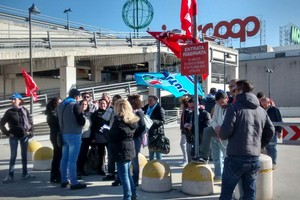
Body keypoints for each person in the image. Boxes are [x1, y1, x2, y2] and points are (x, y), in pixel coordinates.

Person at [219, 80, 275, 200]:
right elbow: (271, 131)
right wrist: (259, 145)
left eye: (234, 90)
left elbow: (224, 133)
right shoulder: (261, 110)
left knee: (226, 193)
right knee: (250, 193)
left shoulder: (234, 107)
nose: (232, 93)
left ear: (239, 91)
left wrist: (220, 131)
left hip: (235, 156)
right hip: (254, 157)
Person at [107, 99, 139, 200]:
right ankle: (133, 195)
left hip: (121, 150)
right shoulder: (132, 120)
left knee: (124, 176)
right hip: (130, 148)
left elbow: (112, 136)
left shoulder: (118, 121)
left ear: (118, 108)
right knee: (128, 175)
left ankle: (127, 197)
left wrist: (105, 132)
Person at [195, 91, 229, 182]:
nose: (220, 104)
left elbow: (230, 123)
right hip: (216, 131)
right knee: (216, 156)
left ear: (227, 99)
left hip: (226, 135)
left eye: (222, 102)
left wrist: (220, 131)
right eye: (218, 103)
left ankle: (227, 177)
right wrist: (216, 127)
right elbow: (213, 120)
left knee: (227, 157)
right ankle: (204, 157)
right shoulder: (217, 106)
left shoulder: (231, 108)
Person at [0, 93, 35, 183]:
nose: (12, 101)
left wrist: (31, 131)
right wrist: (7, 133)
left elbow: (30, 122)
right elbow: (1, 124)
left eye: (14, 99)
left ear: (20, 100)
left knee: (24, 155)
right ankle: (10, 175)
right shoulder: (9, 112)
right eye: (11, 100)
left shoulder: (25, 110)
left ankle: (25, 173)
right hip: (14, 136)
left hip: (24, 136)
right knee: (13, 156)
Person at [57, 88, 86, 190]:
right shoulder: (75, 105)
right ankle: (74, 182)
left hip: (64, 134)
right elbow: (81, 121)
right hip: (74, 134)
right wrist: (84, 118)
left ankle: (64, 180)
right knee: (72, 160)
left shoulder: (61, 105)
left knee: (64, 159)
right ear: (77, 96)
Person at [127, 94, 146, 187]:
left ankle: (135, 179)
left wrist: (135, 134)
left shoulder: (138, 112)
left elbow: (143, 127)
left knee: (134, 160)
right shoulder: (130, 112)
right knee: (130, 159)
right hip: (130, 138)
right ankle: (131, 179)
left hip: (136, 138)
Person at [260, 97, 283, 169]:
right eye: (262, 104)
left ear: (269, 102)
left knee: (272, 147)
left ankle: (273, 162)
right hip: (264, 132)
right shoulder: (261, 110)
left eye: (265, 104)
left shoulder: (275, 110)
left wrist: (279, 131)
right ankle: (268, 162)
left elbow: (279, 120)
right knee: (266, 147)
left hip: (273, 131)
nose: (264, 106)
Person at [142, 95, 165, 161]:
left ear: (155, 101)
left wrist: (152, 121)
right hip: (148, 132)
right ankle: (151, 165)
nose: (149, 102)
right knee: (150, 149)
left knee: (157, 151)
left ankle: (159, 165)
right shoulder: (146, 107)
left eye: (151, 100)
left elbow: (162, 121)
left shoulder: (159, 109)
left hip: (157, 132)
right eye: (148, 100)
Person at [90, 98, 110, 176]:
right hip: (99, 135)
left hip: (108, 135)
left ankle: (110, 168)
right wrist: (93, 138)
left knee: (110, 153)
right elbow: (93, 126)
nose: (103, 105)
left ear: (106, 104)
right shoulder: (95, 113)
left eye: (104, 103)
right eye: (101, 103)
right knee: (101, 154)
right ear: (99, 104)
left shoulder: (109, 112)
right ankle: (100, 169)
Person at [45, 97, 62, 183]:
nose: (61, 104)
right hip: (56, 136)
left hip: (55, 135)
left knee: (57, 155)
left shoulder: (54, 112)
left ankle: (54, 175)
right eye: (59, 102)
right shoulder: (53, 113)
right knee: (58, 155)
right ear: (55, 104)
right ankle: (56, 175)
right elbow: (59, 124)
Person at [77, 99, 93, 178]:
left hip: (87, 136)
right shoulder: (77, 114)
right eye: (82, 104)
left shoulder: (89, 114)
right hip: (79, 137)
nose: (84, 106)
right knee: (79, 154)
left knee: (84, 154)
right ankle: (78, 170)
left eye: (85, 104)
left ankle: (82, 169)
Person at [179, 97, 190, 166]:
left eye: (181, 103)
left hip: (186, 131)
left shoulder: (187, 111)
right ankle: (186, 159)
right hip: (184, 130)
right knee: (184, 145)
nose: (180, 105)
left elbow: (187, 121)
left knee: (183, 145)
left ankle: (186, 160)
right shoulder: (184, 111)